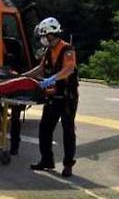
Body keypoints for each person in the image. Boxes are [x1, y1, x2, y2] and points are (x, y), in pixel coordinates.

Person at [24, 17, 78, 177]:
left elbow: (69, 69)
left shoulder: (67, 49)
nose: (42, 40)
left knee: (68, 130)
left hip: (67, 96)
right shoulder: (48, 51)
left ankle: (68, 164)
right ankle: (47, 160)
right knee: (45, 128)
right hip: (53, 95)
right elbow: (41, 69)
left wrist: (51, 79)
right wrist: (24, 76)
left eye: (43, 36)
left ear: (50, 35)